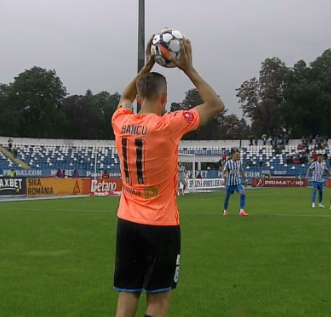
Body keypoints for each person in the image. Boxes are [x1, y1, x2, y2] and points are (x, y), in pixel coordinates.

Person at [111, 37, 224, 317]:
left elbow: (124, 97)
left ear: (139, 98)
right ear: (164, 99)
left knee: (127, 295)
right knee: (158, 300)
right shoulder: (167, 125)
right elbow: (215, 105)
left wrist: (146, 66)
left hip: (127, 221)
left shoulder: (121, 122)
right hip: (160, 224)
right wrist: (187, 68)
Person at [222, 149, 249, 216]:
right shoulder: (228, 163)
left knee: (243, 195)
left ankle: (241, 211)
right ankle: (225, 211)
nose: (238, 156)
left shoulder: (239, 163)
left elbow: (242, 172)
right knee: (227, 197)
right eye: (237, 155)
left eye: (239, 155)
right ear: (233, 155)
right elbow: (223, 172)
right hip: (229, 184)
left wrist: (246, 180)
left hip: (237, 183)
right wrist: (223, 180)